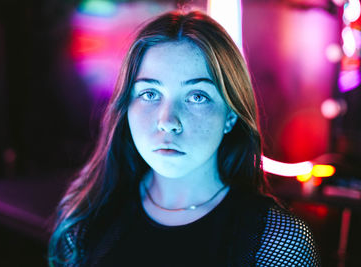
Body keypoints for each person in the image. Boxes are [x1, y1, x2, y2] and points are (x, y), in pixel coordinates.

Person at [48, 10, 321, 266]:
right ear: (126, 106)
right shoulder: (87, 220)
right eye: (150, 94)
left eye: (197, 97)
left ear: (230, 116)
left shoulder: (275, 241)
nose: (168, 122)